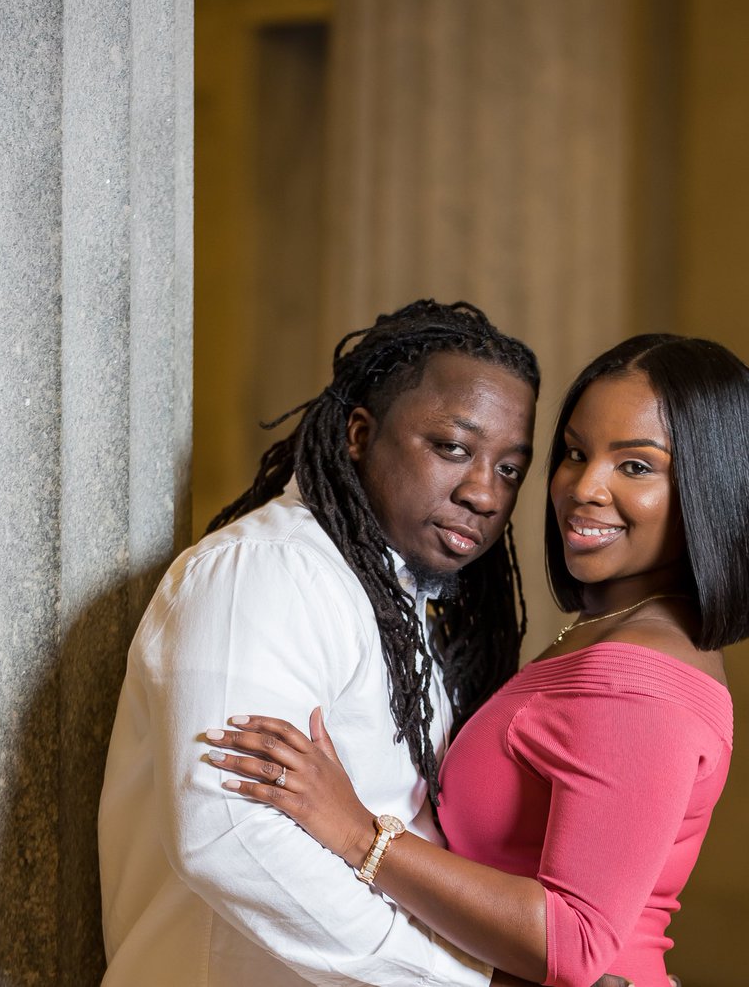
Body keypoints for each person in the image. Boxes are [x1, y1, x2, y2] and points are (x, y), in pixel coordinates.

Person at [205, 334, 749, 987]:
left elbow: (573, 942)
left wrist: (361, 834)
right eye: (575, 453)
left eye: (636, 466)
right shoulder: (607, 635)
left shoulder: (638, 684)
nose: (583, 487)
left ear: (711, 489)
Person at [98, 299, 545, 986]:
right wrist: (465, 978)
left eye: (510, 468)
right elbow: (230, 836)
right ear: (360, 435)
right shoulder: (268, 573)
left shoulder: (399, 603)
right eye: (453, 448)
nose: (485, 493)